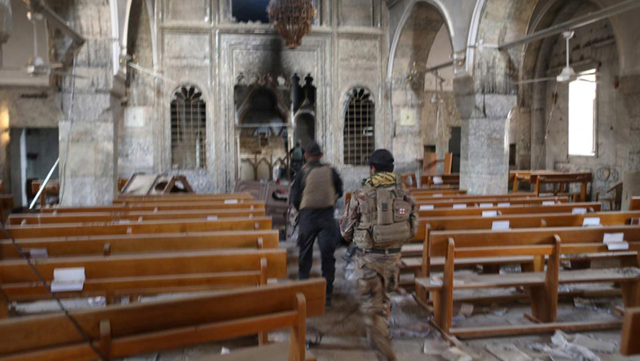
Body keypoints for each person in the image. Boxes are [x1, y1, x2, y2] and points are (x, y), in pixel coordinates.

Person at [340, 149, 418, 361]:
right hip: (393, 260)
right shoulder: (404, 195)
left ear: (372, 169)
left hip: (369, 261)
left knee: (372, 309)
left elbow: (345, 231)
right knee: (383, 300)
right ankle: (379, 335)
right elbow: (412, 229)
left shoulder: (360, 195)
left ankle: (386, 353)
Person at [290, 142, 343, 304]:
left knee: (305, 254)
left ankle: (304, 292)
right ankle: (326, 294)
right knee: (327, 255)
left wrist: (303, 209)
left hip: (308, 217)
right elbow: (339, 191)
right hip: (327, 216)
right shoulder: (331, 171)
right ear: (321, 155)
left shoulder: (301, 173)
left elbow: (295, 198)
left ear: (306, 155)